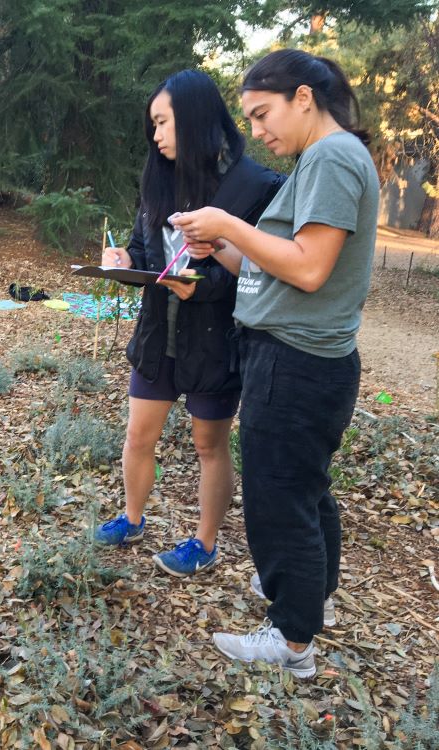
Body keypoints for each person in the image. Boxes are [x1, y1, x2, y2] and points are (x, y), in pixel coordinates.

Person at [170, 49, 379, 677]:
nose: (257, 132)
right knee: (304, 490)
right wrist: (225, 245)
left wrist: (232, 221)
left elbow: (310, 269)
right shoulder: (323, 160)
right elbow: (276, 267)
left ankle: (292, 642)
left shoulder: (334, 157)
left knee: (278, 497)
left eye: (264, 114)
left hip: (295, 363)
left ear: (304, 99)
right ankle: (311, 600)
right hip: (300, 356)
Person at [94, 70, 283, 577]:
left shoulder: (255, 186)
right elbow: (142, 252)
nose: (155, 136)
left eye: (162, 122)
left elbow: (265, 274)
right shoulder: (158, 177)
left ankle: (204, 542)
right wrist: (121, 261)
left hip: (215, 342)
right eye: (151, 125)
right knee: (138, 436)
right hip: (159, 336)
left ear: (195, 118)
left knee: (209, 445)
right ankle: (132, 518)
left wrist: (204, 285)